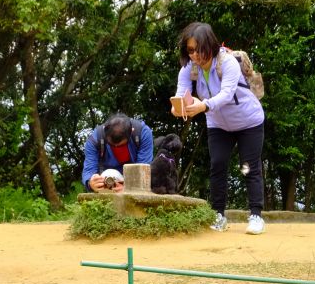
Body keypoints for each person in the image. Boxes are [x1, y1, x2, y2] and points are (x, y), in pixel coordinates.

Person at [171, 22, 266, 235]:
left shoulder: (227, 62)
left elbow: (225, 95)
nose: (194, 55)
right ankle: (219, 215)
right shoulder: (189, 67)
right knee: (218, 165)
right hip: (218, 123)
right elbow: (181, 92)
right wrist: (178, 107)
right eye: (190, 50)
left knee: (248, 166)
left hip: (249, 121)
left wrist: (202, 106)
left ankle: (256, 215)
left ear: (210, 45)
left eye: (198, 49)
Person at [82, 113, 153, 192]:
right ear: (105, 131)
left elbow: (143, 168)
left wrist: (129, 187)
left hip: (134, 177)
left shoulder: (142, 133)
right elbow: (89, 169)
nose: (116, 147)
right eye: (112, 145)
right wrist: (90, 183)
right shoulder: (95, 139)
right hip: (105, 181)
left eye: (120, 146)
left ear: (131, 131)